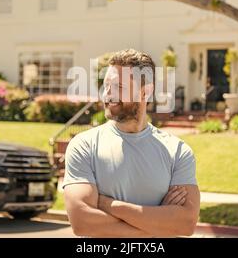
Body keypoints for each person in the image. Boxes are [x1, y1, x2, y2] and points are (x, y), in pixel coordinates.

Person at [63, 48, 200, 237]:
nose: (108, 95)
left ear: (146, 92)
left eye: (118, 87)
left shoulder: (177, 151)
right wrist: (158, 226)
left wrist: (108, 204)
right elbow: (82, 222)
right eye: (106, 85)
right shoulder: (84, 146)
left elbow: (185, 224)